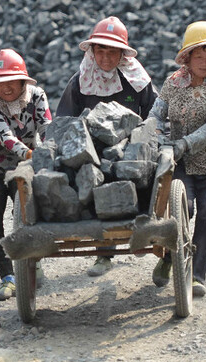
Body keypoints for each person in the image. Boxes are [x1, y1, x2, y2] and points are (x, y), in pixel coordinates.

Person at [55, 16, 157, 276]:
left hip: (131, 154)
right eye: (101, 50)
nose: (106, 58)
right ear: (93, 51)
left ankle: (145, 232)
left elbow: (155, 116)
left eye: (113, 51)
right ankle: (104, 253)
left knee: (141, 176)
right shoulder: (80, 81)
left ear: (122, 54)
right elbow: (64, 121)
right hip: (92, 155)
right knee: (88, 178)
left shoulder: (136, 80)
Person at [148, 20, 206, 298]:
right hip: (181, 164)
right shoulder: (172, 84)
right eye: (198, 55)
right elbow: (155, 115)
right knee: (182, 209)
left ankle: (197, 276)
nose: (203, 61)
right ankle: (169, 258)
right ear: (187, 57)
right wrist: (156, 137)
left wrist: (183, 144)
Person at [0, 48, 52, 301]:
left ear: (22, 80)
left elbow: (47, 128)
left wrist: (54, 152)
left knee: (28, 216)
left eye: (11, 80)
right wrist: (31, 154)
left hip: (24, 167)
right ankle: (8, 277)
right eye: (0, 81)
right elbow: (4, 136)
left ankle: (32, 262)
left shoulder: (37, 96)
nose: (6, 87)